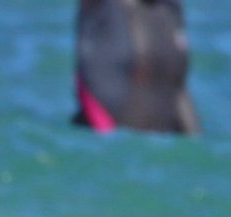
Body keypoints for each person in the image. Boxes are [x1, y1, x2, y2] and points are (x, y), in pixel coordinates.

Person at [74, 0, 200, 135]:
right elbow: (89, 84)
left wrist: (195, 140)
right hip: (115, 135)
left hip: (162, 138)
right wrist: (111, 139)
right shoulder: (102, 6)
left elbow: (178, 87)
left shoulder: (170, 8)